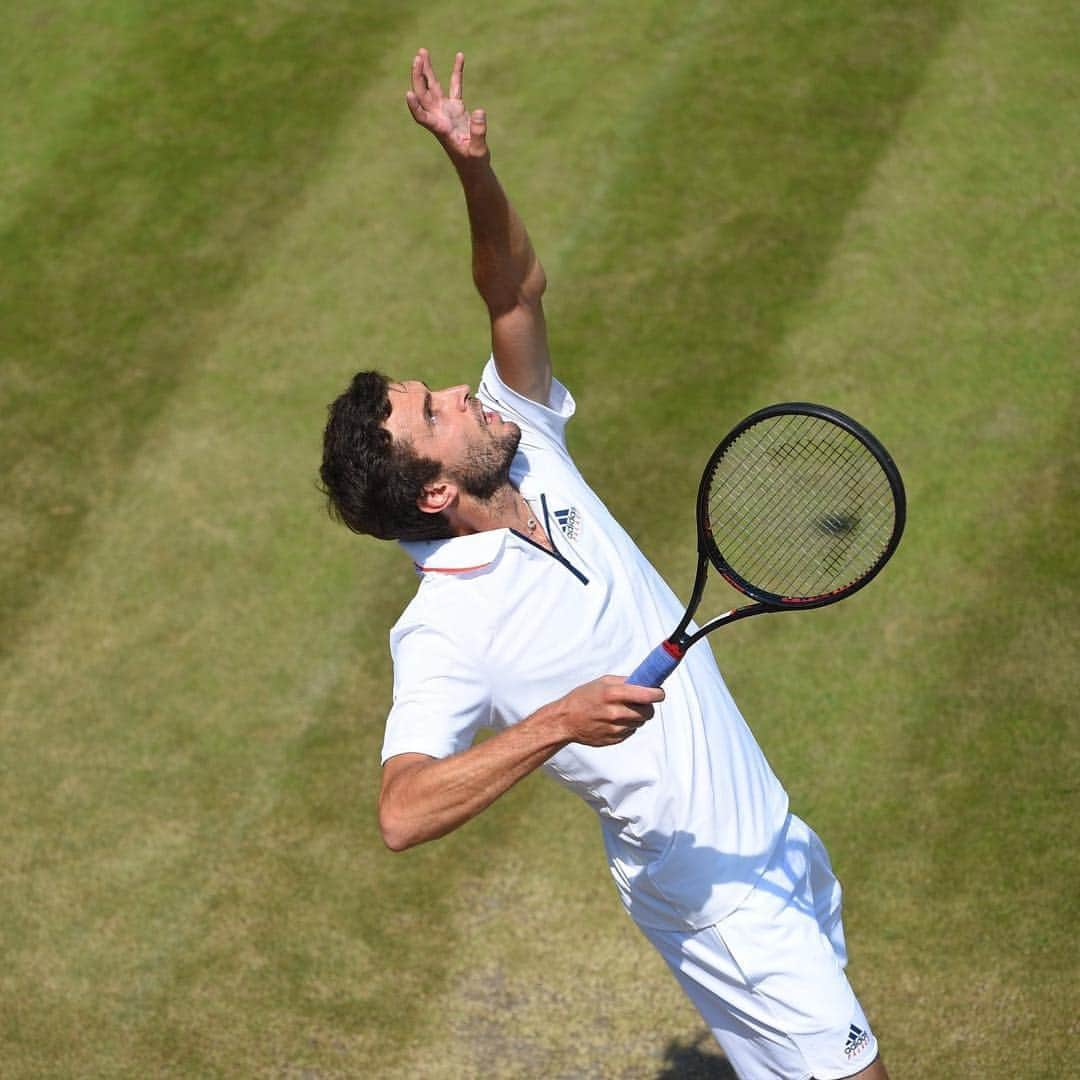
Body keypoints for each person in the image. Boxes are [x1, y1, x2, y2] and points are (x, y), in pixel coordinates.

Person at [319, 48, 889, 1080]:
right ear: (435, 492)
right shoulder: (443, 631)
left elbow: (514, 288)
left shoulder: (525, 441)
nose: (461, 391)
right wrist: (558, 724)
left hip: (768, 829)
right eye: (436, 412)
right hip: (710, 894)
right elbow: (403, 812)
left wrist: (470, 166)